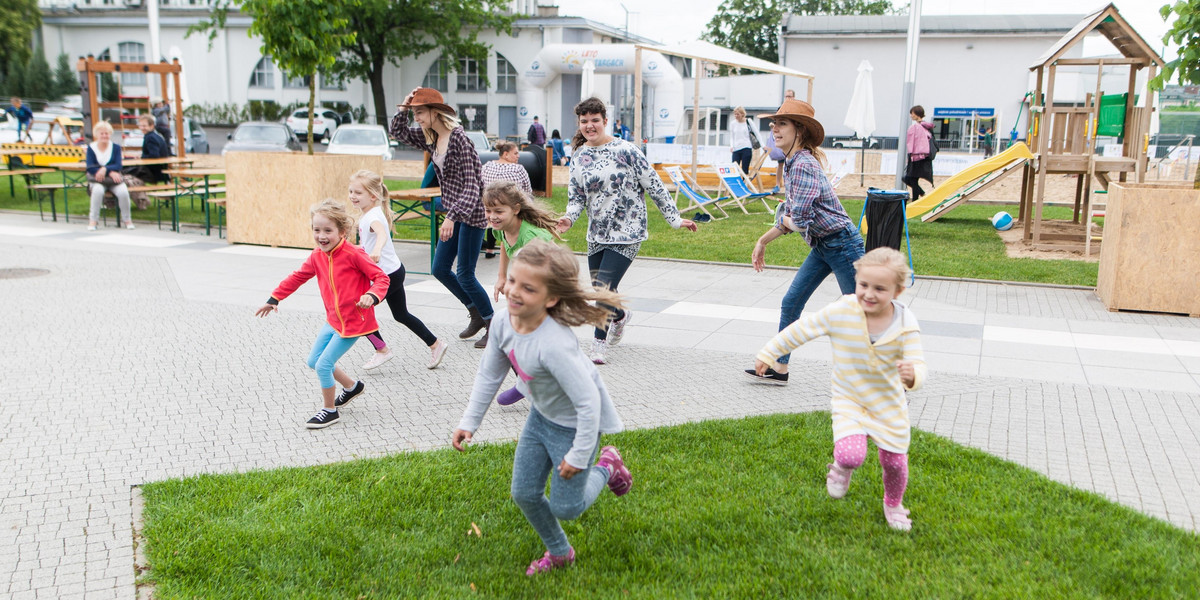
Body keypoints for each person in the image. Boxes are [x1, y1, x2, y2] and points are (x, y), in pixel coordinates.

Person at [451, 239, 633, 576]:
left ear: (551, 299)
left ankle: (607, 464)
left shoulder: (554, 345)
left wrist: (580, 455)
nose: (514, 292)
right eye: (512, 282)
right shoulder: (504, 323)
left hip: (576, 424)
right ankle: (560, 552)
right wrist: (469, 421)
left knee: (568, 507)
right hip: (540, 417)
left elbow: (588, 402)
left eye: (528, 289)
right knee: (524, 493)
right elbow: (490, 374)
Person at [752, 248, 926, 531]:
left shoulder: (905, 322)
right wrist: (769, 352)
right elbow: (801, 329)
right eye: (863, 285)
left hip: (888, 404)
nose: (869, 294)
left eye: (880, 289)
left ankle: (893, 504)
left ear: (898, 291)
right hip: (850, 399)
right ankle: (841, 469)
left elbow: (918, 362)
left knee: (894, 462)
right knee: (850, 454)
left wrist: (912, 376)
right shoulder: (842, 310)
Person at [559, 97, 698, 364]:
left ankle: (598, 345)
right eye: (585, 121)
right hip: (596, 233)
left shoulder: (627, 151)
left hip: (628, 232)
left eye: (595, 120)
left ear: (605, 121)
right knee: (603, 290)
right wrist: (569, 218)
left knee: (603, 290)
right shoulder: (578, 156)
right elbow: (576, 197)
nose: (590, 126)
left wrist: (675, 219)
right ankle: (621, 316)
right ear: (580, 124)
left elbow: (655, 185)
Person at [745, 98, 865, 385]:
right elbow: (792, 216)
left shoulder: (802, 165)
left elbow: (798, 220)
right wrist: (764, 240)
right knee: (792, 302)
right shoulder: (792, 163)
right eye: (773, 123)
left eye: (782, 123)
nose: (774, 128)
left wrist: (782, 224)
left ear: (799, 130)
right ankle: (780, 367)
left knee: (862, 312)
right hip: (824, 246)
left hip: (843, 246)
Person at [255, 199, 391, 429]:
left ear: (342, 231)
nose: (321, 236)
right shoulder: (318, 255)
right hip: (333, 320)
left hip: (353, 322)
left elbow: (382, 278)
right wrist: (274, 298)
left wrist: (372, 295)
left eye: (328, 230)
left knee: (323, 365)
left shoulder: (354, 254)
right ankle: (352, 387)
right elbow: (297, 277)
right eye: (316, 230)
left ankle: (330, 411)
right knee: (313, 361)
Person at [389, 87, 494, 349]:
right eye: (414, 112)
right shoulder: (432, 138)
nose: (416, 117)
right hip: (454, 213)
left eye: (420, 112)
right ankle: (475, 312)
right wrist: (404, 105)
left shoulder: (460, 140)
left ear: (436, 112)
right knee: (439, 269)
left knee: (466, 274)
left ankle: (493, 324)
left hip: (471, 214)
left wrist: (451, 217)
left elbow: (473, 187)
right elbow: (398, 132)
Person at [346, 169, 448, 371]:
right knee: (401, 314)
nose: (352, 196)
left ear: (373, 196)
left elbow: (382, 234)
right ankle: (436, 344)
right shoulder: (370, 213)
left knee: (358, 311)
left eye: (358, 193)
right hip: (394, 271)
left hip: (386, 276)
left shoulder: (372, 217)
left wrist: (376, 249)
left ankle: (382, 350)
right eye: (351, 191)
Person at [484, 180, 561, 407]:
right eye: (489, 211)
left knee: (530, 343)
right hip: (532, 295)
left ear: (516, 209)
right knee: (513, 341)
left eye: (499, 211)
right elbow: (504, 248)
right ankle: (529, 384)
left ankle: (537, 385)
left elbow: (550, 268)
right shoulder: (502, 230)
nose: (492, 216)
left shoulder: (532, 237)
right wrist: (501, 277)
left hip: (549, 293)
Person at [480, 141, 531, 261]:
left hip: (489, 205)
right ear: (506, 154)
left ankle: (489, 249)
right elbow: (528, 191)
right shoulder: (518, 169)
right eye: (515, 153)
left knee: (494, 220)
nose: (518, 156)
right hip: (511, 209)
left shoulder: (487, 166)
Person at [85, 121, 135, 231]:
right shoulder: (91, 148)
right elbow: (90, 167)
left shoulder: (116, 148)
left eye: (106, 133)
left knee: (123, 192)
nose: (104, 136)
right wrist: (108, 171)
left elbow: (118, 165)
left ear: (110, 134)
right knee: (97, 191)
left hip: (113, 180)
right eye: (101, 133)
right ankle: (93, 220)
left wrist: (105, 169)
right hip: (98, 179)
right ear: (96, 135)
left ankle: (127, 220)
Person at [902, 105, 936, 201]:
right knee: (913, 179)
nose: (911, 116)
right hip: (925, 156)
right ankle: (919, 196)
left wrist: (910, 155)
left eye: (912, 113)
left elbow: (911, 142)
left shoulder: (915, 127)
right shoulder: (927, 126)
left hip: (916, 156)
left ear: (917, 114)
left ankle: (916, 199)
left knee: (910, 178)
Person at [728, 106, 756, 176]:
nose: (736, 116)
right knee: (734, 168)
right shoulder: (733, 123)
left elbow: (756, 133)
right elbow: (732, 136)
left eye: (738, 114)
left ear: (742, 114)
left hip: (746, 147)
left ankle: (744, 184)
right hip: (736, 148)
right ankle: (735, 185)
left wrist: (763, 146)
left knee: (745, 169)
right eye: (735, 114)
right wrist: (731, 146)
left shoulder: (748, 121)